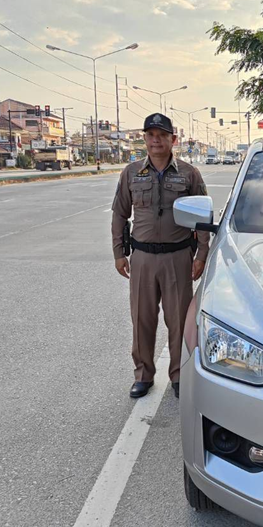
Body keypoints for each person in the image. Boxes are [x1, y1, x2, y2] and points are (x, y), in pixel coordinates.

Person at [111, 113, 209, 399]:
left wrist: (202, 254)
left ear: (172, 140)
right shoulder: (131, 173)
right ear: (144, 139)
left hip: (177, 257)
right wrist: (119, 253)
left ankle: (179, 375)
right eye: (151, 135)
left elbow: (203, 216)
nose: (156, 140)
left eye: (162, 135)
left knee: (179, 321)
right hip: (142, 257)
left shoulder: (189, 174)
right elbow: (119, 214)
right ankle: (143, 375)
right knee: (142, 319)